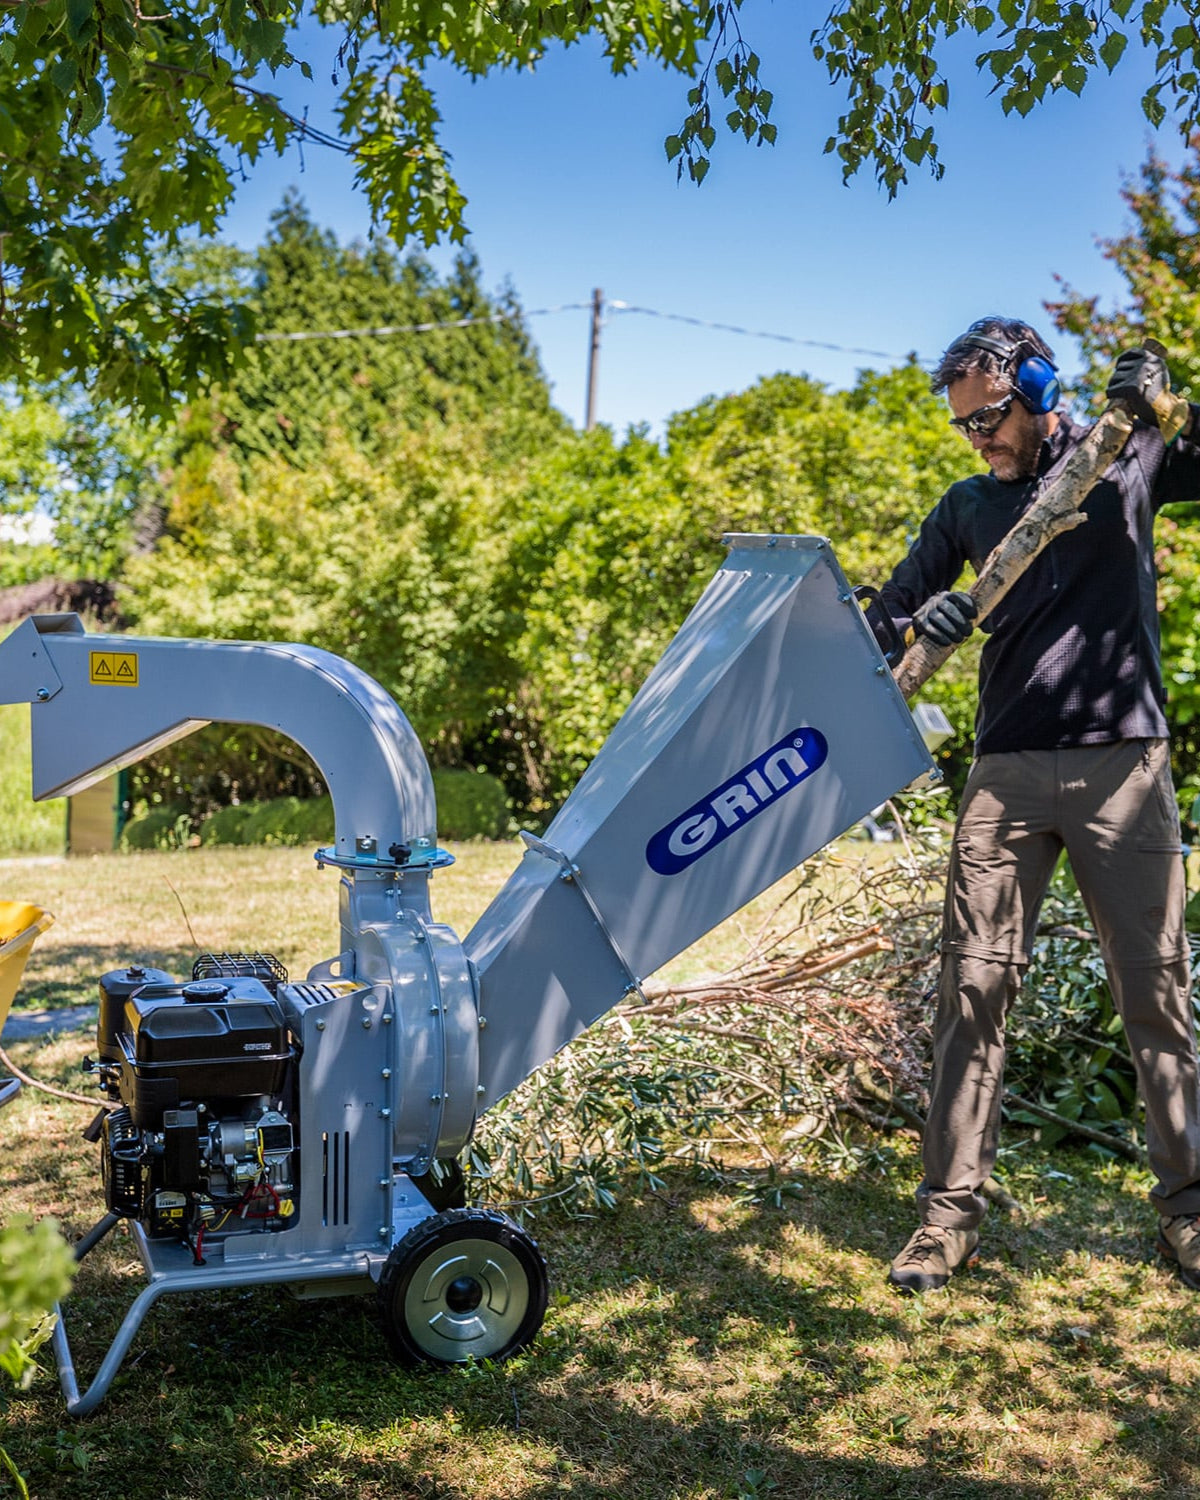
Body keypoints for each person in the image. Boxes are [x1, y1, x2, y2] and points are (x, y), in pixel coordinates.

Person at [874, 316, 1200, 1294]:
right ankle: (947, 1221)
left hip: (1123, 765)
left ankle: (1189, 1212)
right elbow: (885, 618)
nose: (979, 438)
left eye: (991, 417)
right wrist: (918, 618)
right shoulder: (968, 507)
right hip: (1007, 771)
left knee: (1157, 994)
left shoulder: (1125, 456)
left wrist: (1166, 400)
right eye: (964, 426)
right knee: (970, 996)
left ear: (1044, 386)